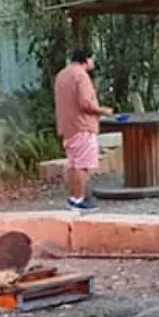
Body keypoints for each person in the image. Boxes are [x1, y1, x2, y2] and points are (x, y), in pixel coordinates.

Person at [53, 46, 113, 211]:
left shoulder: (62, 74)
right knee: (82, 165)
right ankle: (79, 200)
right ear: (86, 59)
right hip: (82, 125)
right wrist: (104, 111)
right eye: (92, 59)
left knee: (74, 164)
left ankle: (73, 197)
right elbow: (85, 103)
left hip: (67, 126)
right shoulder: (81, 75)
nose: (93, 62)